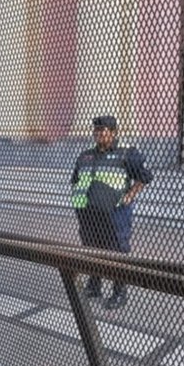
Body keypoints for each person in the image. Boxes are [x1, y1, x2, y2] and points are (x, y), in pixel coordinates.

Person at [71, 115, 151, 310]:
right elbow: (75, 180)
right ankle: (94, 286)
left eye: (103, 131)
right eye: (96, 131)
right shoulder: (85, 156)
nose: (98, 134)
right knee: (91, 248)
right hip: (89, 214)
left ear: (113, 132)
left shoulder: (126, 154)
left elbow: (145, 176)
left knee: (117, 251)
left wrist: (131, 194)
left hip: (116, 214)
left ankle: (119, 292)